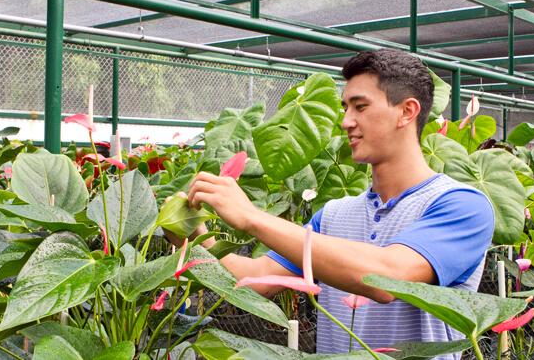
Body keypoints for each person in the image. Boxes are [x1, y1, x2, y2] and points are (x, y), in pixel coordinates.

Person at [165, 49, 494, 358]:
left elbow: (388, 279)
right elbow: (257, 281)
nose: (345, 121)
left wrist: (252, 218)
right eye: (345, 108)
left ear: (406, 112)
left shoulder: (462, 205)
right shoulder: (335, 215)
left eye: (360, 107)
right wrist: (195, 239)